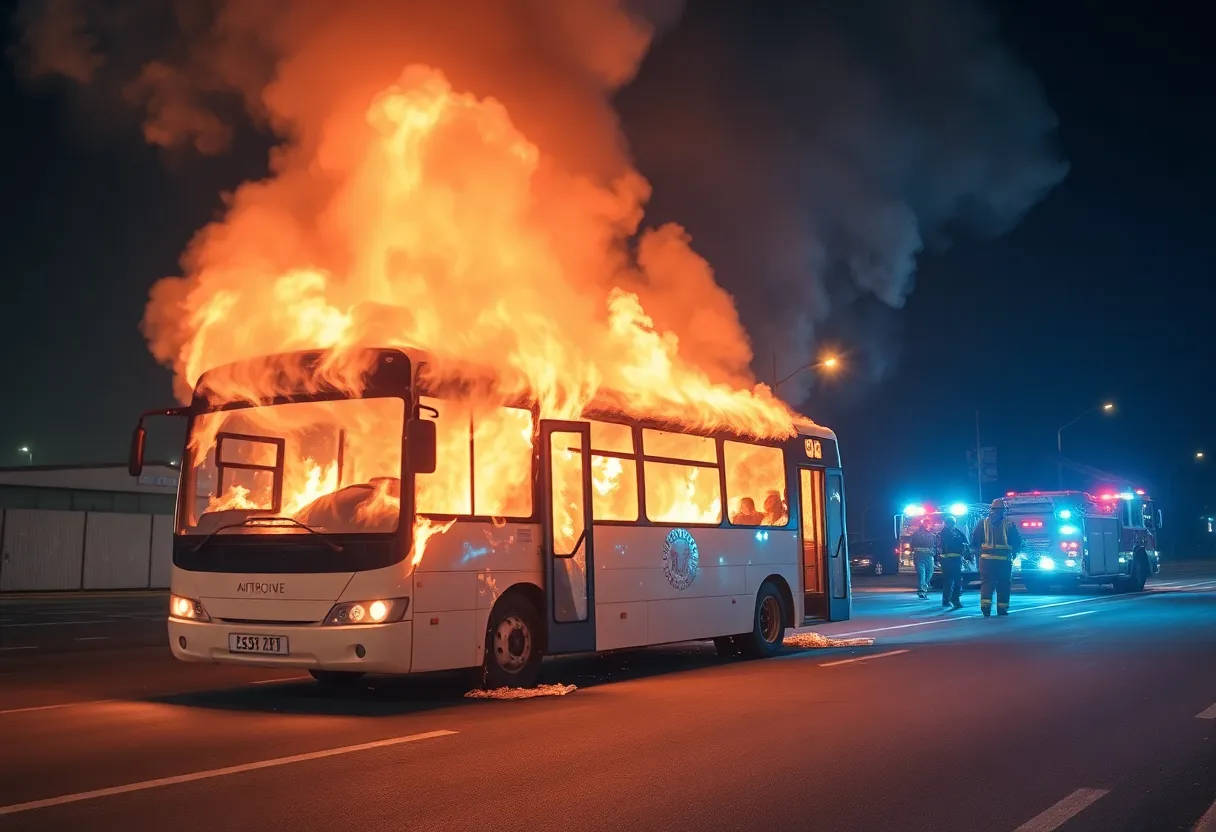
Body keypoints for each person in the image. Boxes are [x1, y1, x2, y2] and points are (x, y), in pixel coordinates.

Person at [971, 499, 1022, 617]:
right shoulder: (1009, 524)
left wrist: (979, 554)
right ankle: (1002, 609)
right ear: (1003, 511)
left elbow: (974, 542)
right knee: (1003, 585)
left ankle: (985, 608)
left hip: (986, 561)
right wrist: (1013, 554)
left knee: (987, 584)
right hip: (1003, 561)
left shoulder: (982, 523)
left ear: (992, 510)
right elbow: (1017, 542)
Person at [938, 515, 968, 610]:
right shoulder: (945, 533)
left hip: (955, 559)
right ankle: (953, 599)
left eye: (953, 523)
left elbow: (965, 542)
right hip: (948, 559)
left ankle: (948, 599)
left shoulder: (956, 532)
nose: (952, 524)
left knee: (953, 580)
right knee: (952, 580)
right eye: (950, 523)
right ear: (946, 523)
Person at [909, 520, 936, 599]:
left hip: (921, 555)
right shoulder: (927, 534)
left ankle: (923, 588)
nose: (931, 526)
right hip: (925, 555)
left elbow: (912, 544)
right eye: (929, 524)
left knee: (923, 573)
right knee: (927, 572)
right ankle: (922, 590)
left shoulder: (917, 533)